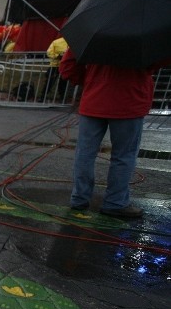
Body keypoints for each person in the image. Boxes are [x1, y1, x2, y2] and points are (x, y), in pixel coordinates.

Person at [59, 49, 161, 219]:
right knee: (124, 156)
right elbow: (159, 60)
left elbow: (67, 66)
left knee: (85, 153)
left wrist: (91, 81)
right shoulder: (144, 32)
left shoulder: (95, 29)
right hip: (129, 101)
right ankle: (115, 202)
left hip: (94, 100)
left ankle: (79, 198)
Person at [45, 35, 69, 102]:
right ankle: (43, 96)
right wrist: (58, 56)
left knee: (62, 83)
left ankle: (62, 97)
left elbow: (49, 53)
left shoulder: (56, 42)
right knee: (50, 82)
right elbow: (49, 53)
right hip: (56, 65)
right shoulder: (56, 42)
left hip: (62, 65)